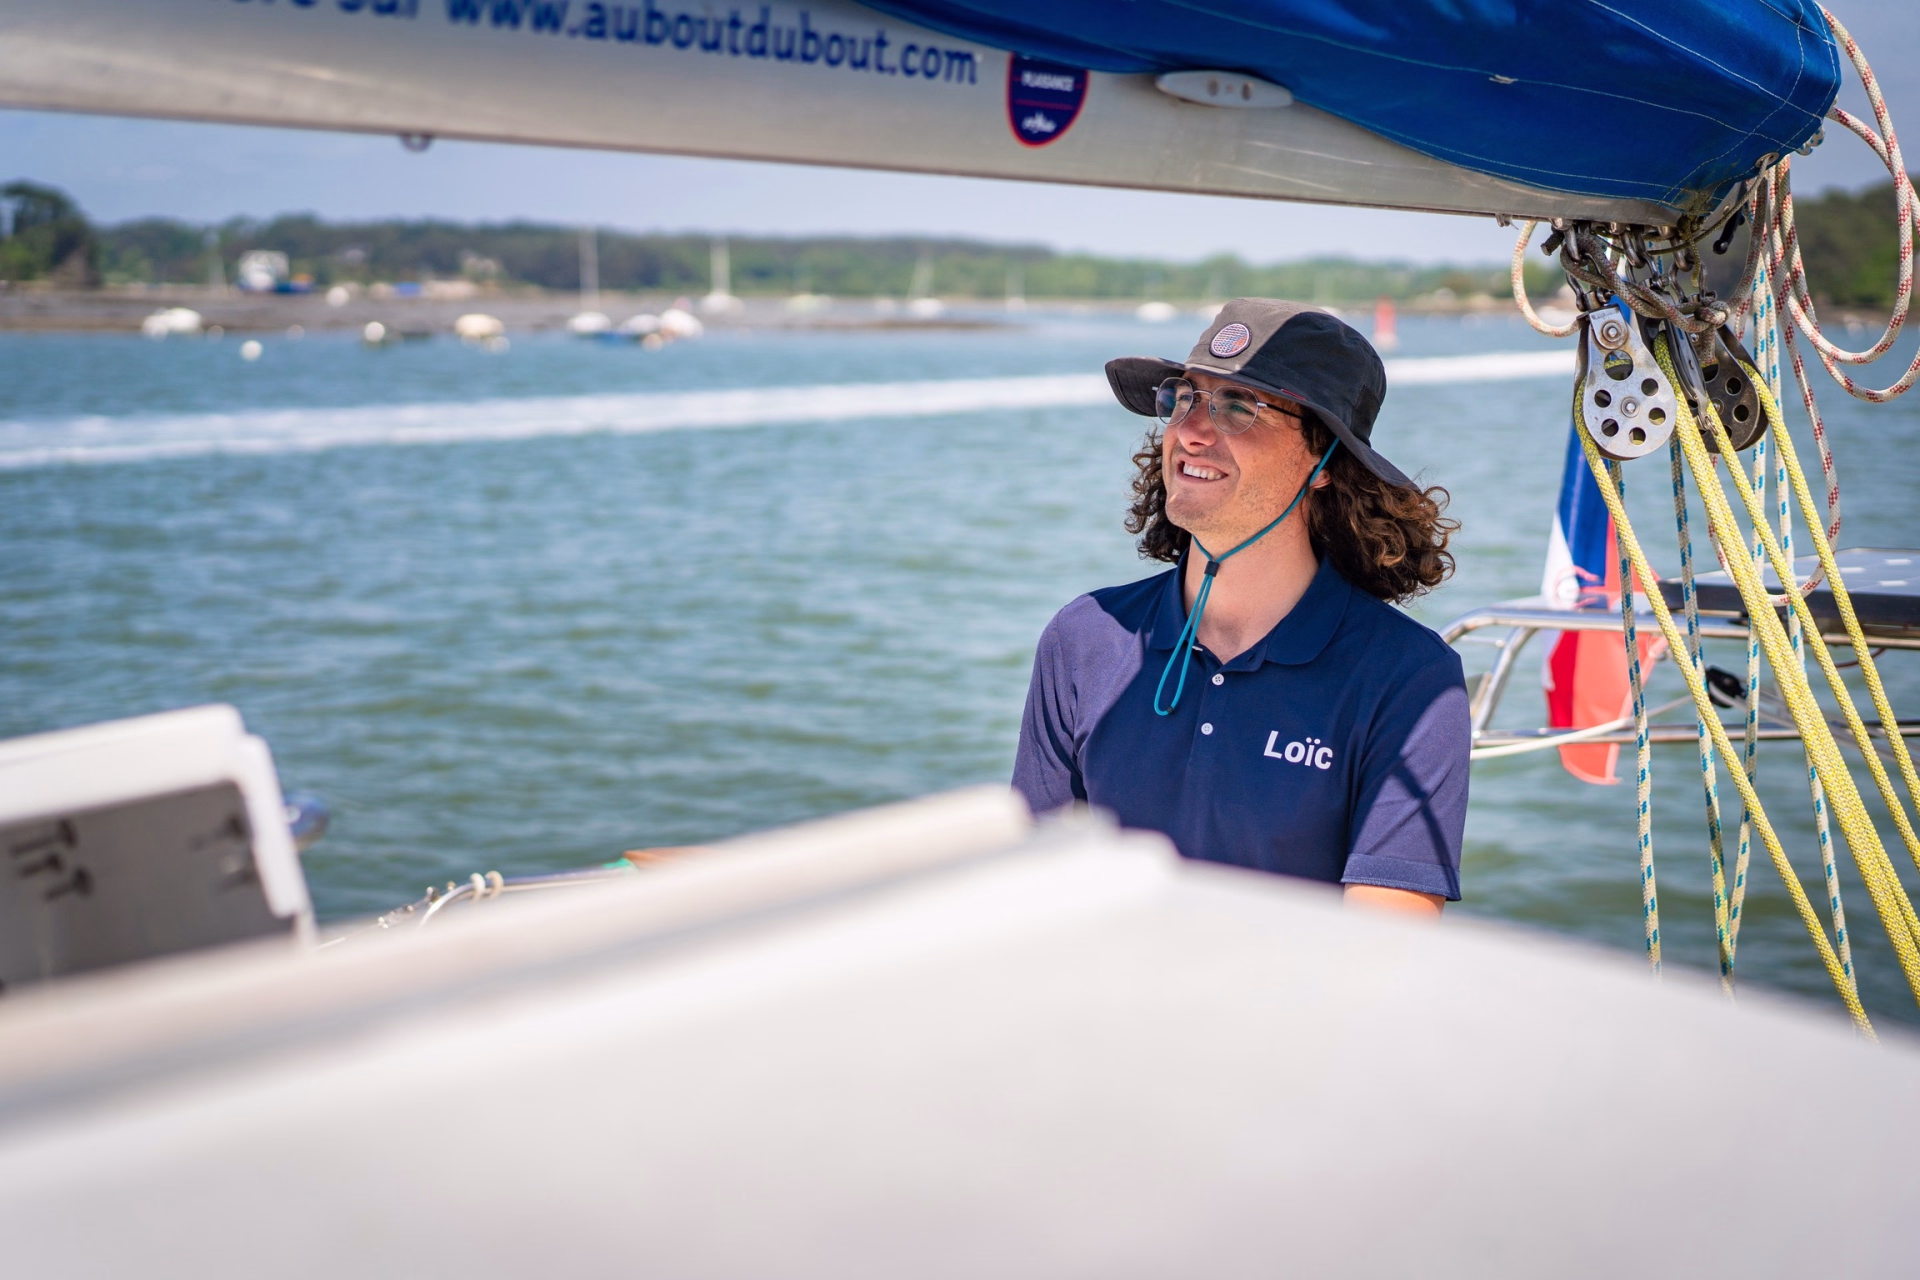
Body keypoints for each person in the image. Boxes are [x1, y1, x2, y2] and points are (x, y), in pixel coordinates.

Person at [1012, 299, 1469, 916]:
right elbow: (1031, 885)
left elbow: (1381, 949)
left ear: (1324, 460)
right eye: (1183, 398)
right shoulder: (1084, 638)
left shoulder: (1409, 678)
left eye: (1237, 408)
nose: (1191, 431)